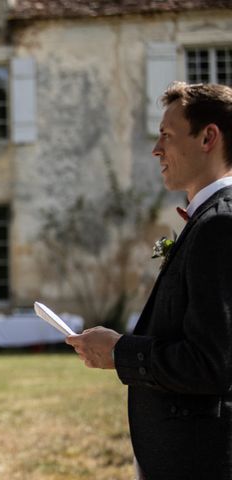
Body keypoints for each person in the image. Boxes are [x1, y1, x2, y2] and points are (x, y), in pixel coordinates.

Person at [66, 82, 232, 479]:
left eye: (167, 136)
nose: (156, 149)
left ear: (208, 137)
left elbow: (212, 363)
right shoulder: (208, 219)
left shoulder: (220, 223)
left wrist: (120, 353)